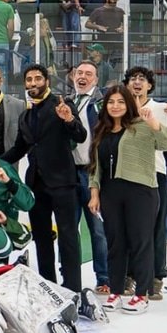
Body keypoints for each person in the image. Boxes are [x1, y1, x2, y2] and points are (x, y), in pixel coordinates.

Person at [88, 85, 167, 314]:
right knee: (116, 243)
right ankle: (115, 291)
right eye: (111, 102)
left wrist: (153, 123)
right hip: (111, 192)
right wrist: (95, 192)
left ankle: (142, 294)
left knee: (141, 243)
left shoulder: (142, 126)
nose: (115, 106)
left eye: (120, 101)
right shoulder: (102, 130)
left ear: (128, 103)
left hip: (141, 191)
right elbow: (95, 166)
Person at [1, 65, 87, 292]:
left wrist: (69, 120)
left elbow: (80, 135)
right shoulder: (25, 116)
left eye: (38, 79)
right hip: (36, 186)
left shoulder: (62, 105)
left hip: (63, 183)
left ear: (47, 81)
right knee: (41, 238)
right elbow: (19, 149)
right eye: (29, 80)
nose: (33, 83)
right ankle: (48, 285)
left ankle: (73, 288)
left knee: (68, 237)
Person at [122, 66, 167, 299]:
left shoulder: (161, 108)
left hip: (154, 173)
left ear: (150, 85)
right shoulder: (119, 107)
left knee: (156, 227)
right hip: (125, 174)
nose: (137, 82)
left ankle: (155, 277)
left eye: (142, 79)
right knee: (127, 228)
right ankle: (128, 275)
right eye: (132, 79)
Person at [66, 61, 109, 292]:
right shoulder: (66, 102)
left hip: (93, 173)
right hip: (69, 174)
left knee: (98, 230)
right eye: (79, 72)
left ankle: (104, 279)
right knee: (69, 228)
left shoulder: (102, 104)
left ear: (96, 79)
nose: (83, 77)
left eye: (88, 74)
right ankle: (69, 278)